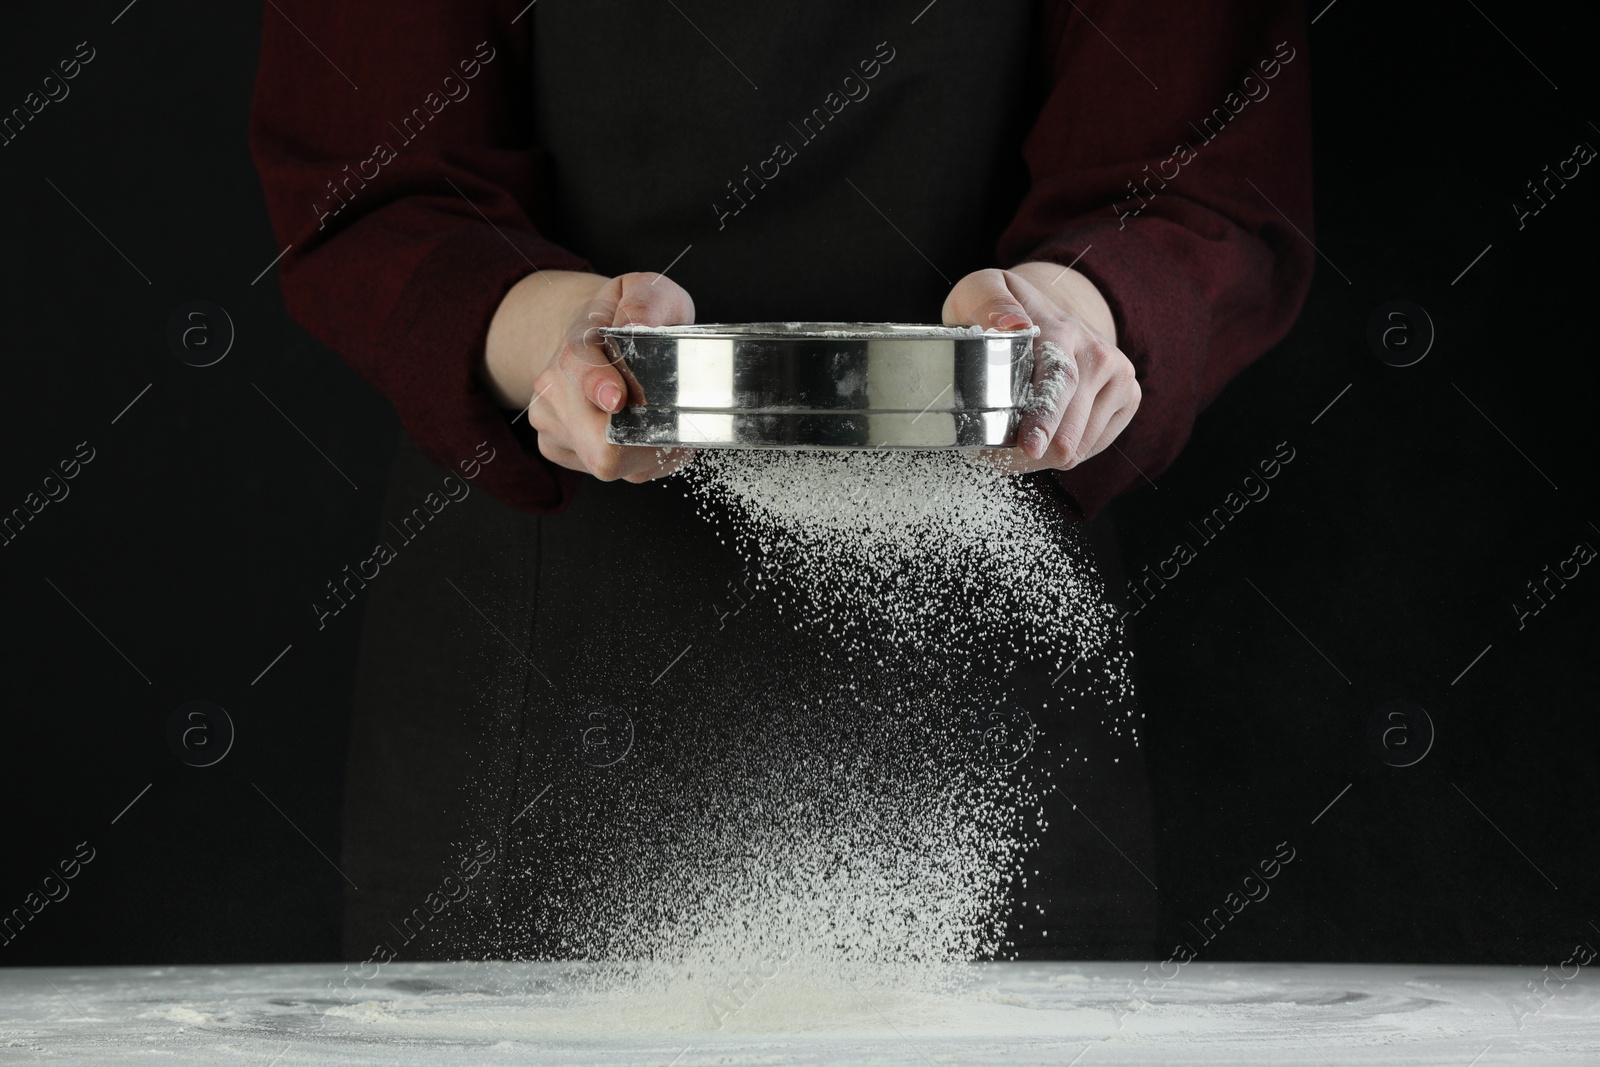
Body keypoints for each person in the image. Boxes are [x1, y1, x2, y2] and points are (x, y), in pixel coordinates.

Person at [250, 0, 1312, 963]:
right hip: (538, 701)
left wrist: (1074, 323)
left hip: (980, 685)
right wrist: (559, 340)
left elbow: (1197, 168)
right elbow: (375, 172)